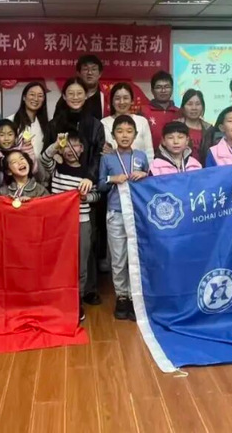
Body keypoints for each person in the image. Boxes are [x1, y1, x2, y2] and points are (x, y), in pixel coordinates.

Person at [41, 128, 100, 322]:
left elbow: (97, 195)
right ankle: (58, 297)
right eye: (67, 145)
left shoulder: (87, 174)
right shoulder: (56, 168)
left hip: (82, 221)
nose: (70, 149)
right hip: (58, 224)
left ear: (82, 148)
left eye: (75, 145)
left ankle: (77, 299)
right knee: (58, 261)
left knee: (81, 262)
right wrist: (56, 144)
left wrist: (86, 197)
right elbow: (44, 159)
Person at [98, 115, 148, 321]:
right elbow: (100, 185)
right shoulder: (107, 159)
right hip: (116, 213)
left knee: (135, 257)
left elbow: (151, 185)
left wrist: (145, 175)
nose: (124, 135)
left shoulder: (141, 156)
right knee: (118, 258)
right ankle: (121, 296)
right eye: (120, 131)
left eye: (129, 131)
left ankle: (135, 297)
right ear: (113, 135)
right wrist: (112, 179)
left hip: (137, 214)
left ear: (135, 135)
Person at [44, 77, 105, 181]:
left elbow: (98, 155)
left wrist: (90, 177)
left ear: (86, 95)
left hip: (87, 183)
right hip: (60, 182)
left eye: (79, 93)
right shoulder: (53, 125)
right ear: (64, 96)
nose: (75, 97)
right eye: (71, 94)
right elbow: (46, 154)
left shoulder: (96, 125)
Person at [101, 82, 154, 165]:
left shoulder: (142, 121)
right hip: (114, 170)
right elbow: (105, 152)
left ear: (132, 101)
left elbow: (149, 152)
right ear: (112, 102)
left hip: (139, 170)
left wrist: (147, 170)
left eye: (125, 98)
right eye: (117, 98)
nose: (121, 102)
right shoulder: (104, 123)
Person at [141, 71, 181, 151]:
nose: (163, 90)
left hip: (175, 156)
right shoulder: (143, 111)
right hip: (150, 156)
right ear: (152, 90)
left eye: (167, 87)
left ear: (172, 89)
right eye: (158, 87)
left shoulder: (179, 112)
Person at [8, 81, 49, 158]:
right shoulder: (10, 121)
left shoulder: (46, 125)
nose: (36, 99)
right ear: (24, 97)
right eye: (32, 94)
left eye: (40, 96)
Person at [177, 89, 211, 161]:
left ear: (203, 107)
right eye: (189, 104)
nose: (194, 108)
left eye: (198, 104)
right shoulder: (175, 127)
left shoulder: (209, 129)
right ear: (183, 107)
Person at [77, 54, 106, 120]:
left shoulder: (107, 96)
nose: (89, 73)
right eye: (85, 69)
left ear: (100, 74)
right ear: (78, 73)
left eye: (94, 69)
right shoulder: (71, 95)